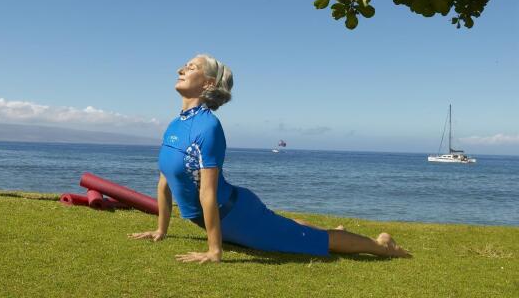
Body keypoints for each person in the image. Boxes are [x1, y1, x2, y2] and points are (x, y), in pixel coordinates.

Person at [129, 54, 410, 263]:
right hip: (227, 216)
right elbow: (165, 182)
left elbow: (208, 194)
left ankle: (383, 246)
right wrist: (160, 230)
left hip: (238, 217)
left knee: (321, 243)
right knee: (288, 228)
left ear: (208, 83)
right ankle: (329, 230)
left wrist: (214, 251)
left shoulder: (207, 127)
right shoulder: (176, 124)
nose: (181, 69)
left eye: (191, 67)